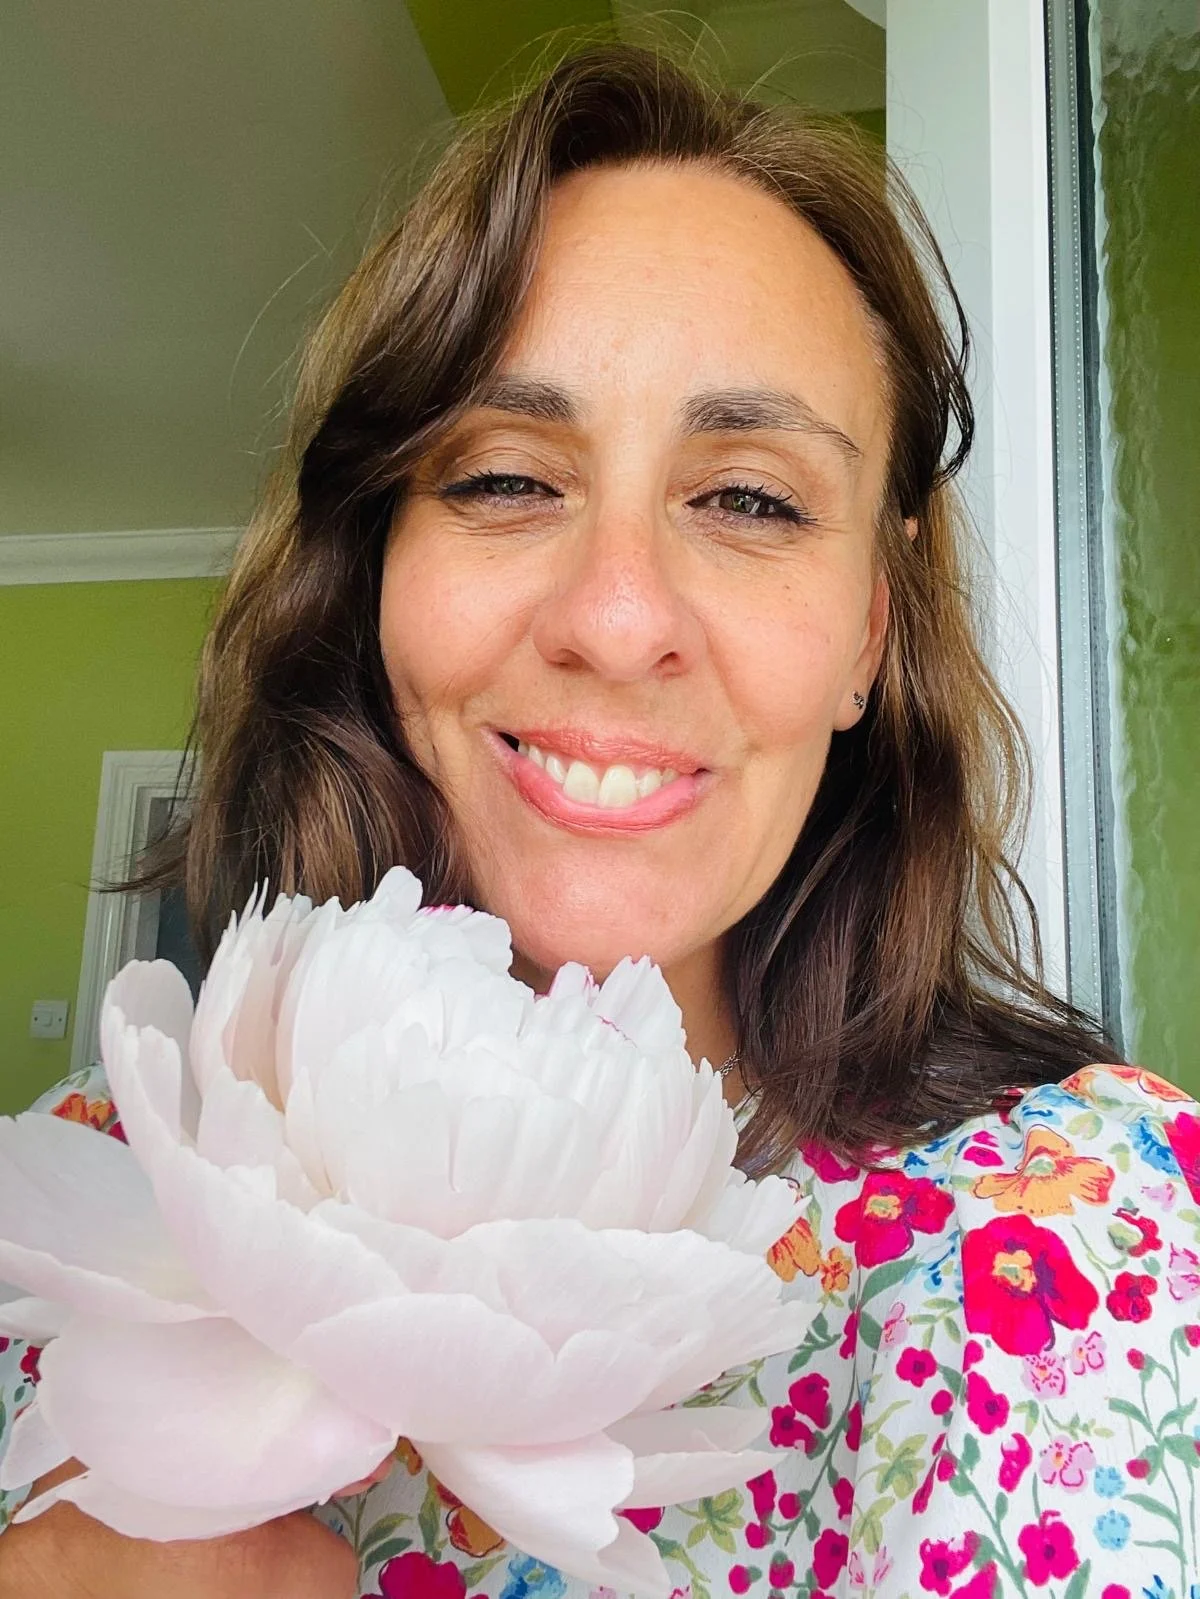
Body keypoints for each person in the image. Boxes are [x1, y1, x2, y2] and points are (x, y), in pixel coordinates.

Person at [2, 42, 1197, 1599]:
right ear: (373, 574)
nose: (619, 619)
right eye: (503, 477)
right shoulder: (100, 1167)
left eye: (752, 498)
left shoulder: (1091, 1226)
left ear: (872, 635)